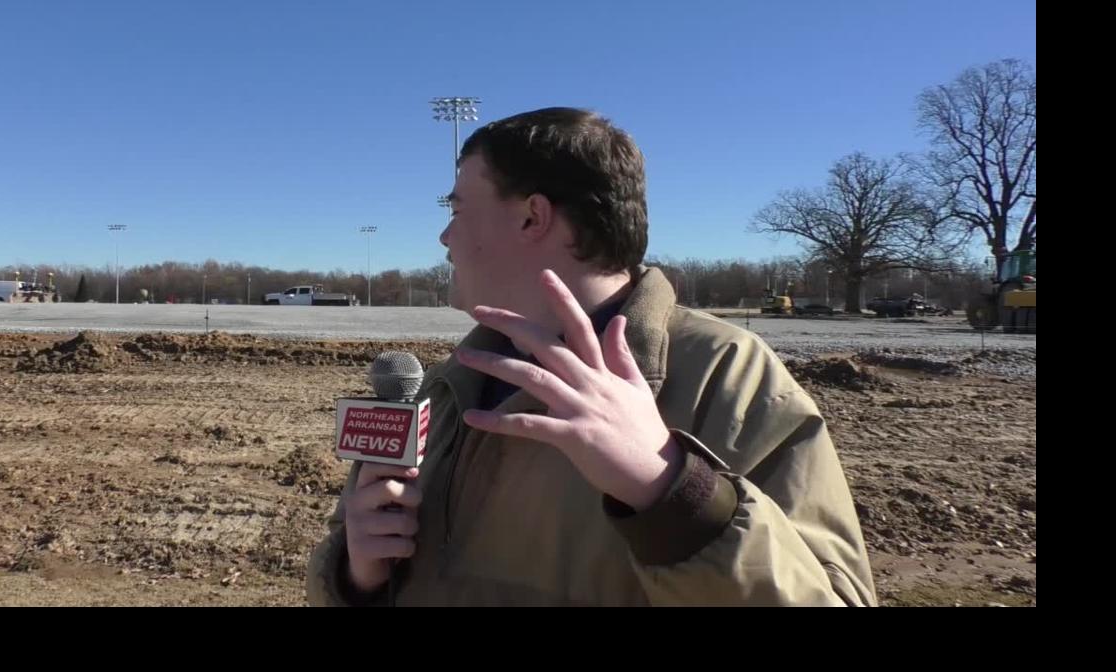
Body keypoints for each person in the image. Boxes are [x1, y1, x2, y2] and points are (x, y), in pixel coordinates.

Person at [307, 107, 876, 606]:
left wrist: (668, 488)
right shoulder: (446, 384)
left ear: (532, 216)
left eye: (457, 208)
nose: (444, 237)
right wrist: (356, 577)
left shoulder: (726, 373)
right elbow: (363, 565)